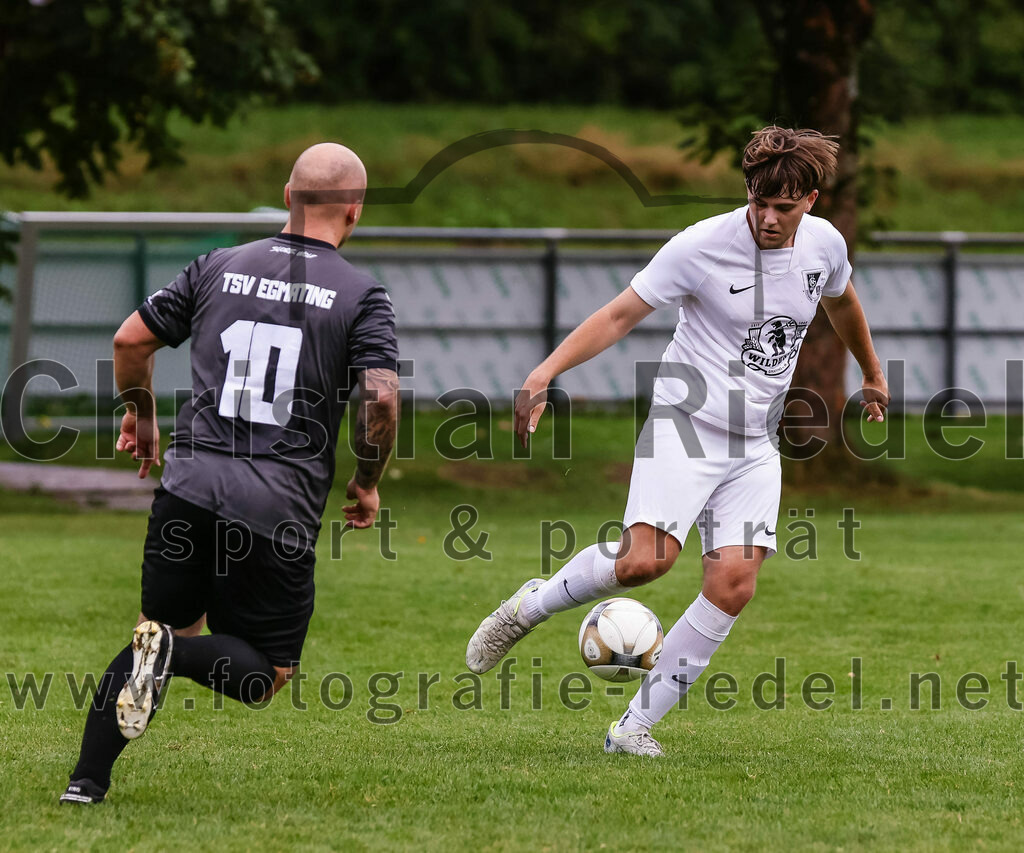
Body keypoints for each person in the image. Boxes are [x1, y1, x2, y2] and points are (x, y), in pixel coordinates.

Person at [466, 126, 888, 757]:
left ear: (812, 201)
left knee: (733, 587)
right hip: (685, 423)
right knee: (644, 564)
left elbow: (843, 303)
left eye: (784, 207)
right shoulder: (700, 246)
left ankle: (632, 730)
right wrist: (544, 372)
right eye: (758, 203)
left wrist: (873, 374)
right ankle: (529, 606)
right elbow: (618, 315)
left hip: (753, 443)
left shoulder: (824, 245)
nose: (768, 219)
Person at [60, 143, 400, 804]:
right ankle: (171, 659)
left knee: (154, 629)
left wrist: (143, 415)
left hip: (188, 487)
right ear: (354, 211)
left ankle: (86, 782)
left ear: (287, 194)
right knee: (265, 673)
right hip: (276, 504)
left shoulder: (220, 266)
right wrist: (367, 476)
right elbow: (381, 397)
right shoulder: (361, 294)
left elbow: (131, 340)